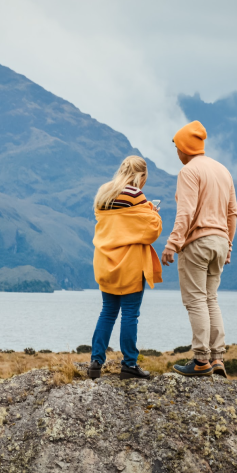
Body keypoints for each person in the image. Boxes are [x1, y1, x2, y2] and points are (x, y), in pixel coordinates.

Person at [161, 121, 237, 378]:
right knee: (211, 299)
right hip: (219, 242)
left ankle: (201, 360)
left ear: (184, 147)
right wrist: (228, 246)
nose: (177, 153)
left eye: (177, 147)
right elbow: (232, 213)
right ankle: (217, 359)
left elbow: (186, 211)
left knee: (195, 300)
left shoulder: (189, 172)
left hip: (197, 243)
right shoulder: (223, 171)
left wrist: (172, 243)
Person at [87, 155, 163, 380]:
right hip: (129, 264)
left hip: (104, 261)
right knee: (130, 313)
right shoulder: (135, 195)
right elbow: (151, 230)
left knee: (107, 312)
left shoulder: (104, 193)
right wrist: (153, 212)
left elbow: (113, 222)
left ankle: (95, 362)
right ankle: (129, 364)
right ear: (141, 175)